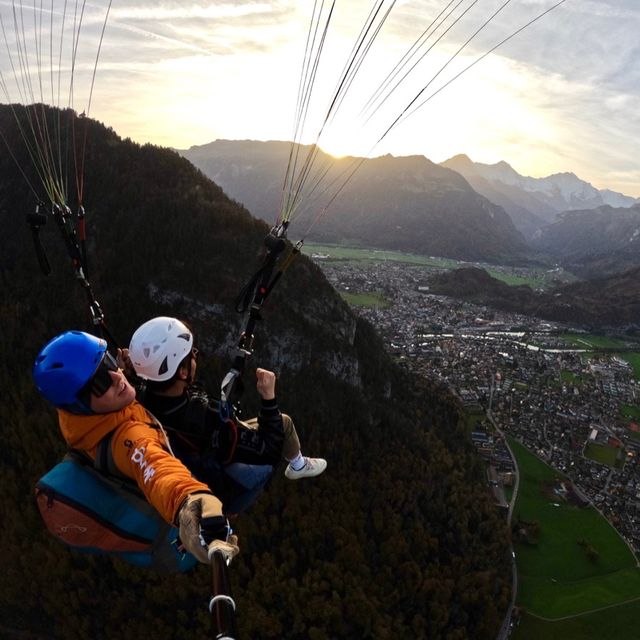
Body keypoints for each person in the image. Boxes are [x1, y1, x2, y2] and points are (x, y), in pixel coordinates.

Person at [32, 329, 238, 566]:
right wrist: (190, 499)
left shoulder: (82, 418)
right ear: (80, 406)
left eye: (108, 362)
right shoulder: (127, 440)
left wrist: (126, 372)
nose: (117, 378)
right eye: (100, 383)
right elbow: (155, 467)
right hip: (184, 484)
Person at [126, 317, 327, 515]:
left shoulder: (137, 399)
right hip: (223, 494)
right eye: (192, 355)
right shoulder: (207, 420)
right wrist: (269, 398)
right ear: (183, 372)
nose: (196, 356)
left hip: (191, 469)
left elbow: (185, 389)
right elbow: (269, 449)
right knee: (283, 424)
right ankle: (297, 465)